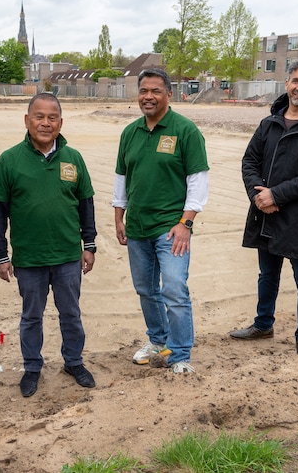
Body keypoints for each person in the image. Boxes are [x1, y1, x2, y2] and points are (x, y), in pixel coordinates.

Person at [0, 92, 97, 398]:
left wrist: (89, 244)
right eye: (39, 117)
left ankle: (73, 362)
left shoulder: (73, 159)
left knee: (71, 314)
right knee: (31, 316)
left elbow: (86, 204)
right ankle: (32, 367)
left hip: (67, 256)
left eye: (52, 118)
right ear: (27, 120)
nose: (45, 123)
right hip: (29, 258)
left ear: (60, 123)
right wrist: (0, 255)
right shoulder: (9, 161)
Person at [230, 58, 298, 354]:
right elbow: (250, 161)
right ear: (287, 83)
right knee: (267, 275)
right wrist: (258, 197)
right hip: (266, 214)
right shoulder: (269, 123)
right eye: (296, 81)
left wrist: (276, 195)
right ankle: (263, 325)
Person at [113, 68, 209, 374]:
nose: (148, 96)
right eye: (144, 90)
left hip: (171, 228)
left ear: (169, 94)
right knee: (146, 289)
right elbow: (122, 178)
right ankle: (158, 340)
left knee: (175, 289)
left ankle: (179, 355)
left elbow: (198, 180)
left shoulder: (185, 130)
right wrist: (119, 217)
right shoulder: (130, 132)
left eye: (155, 91)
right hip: (137, 227)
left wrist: (186, 223)